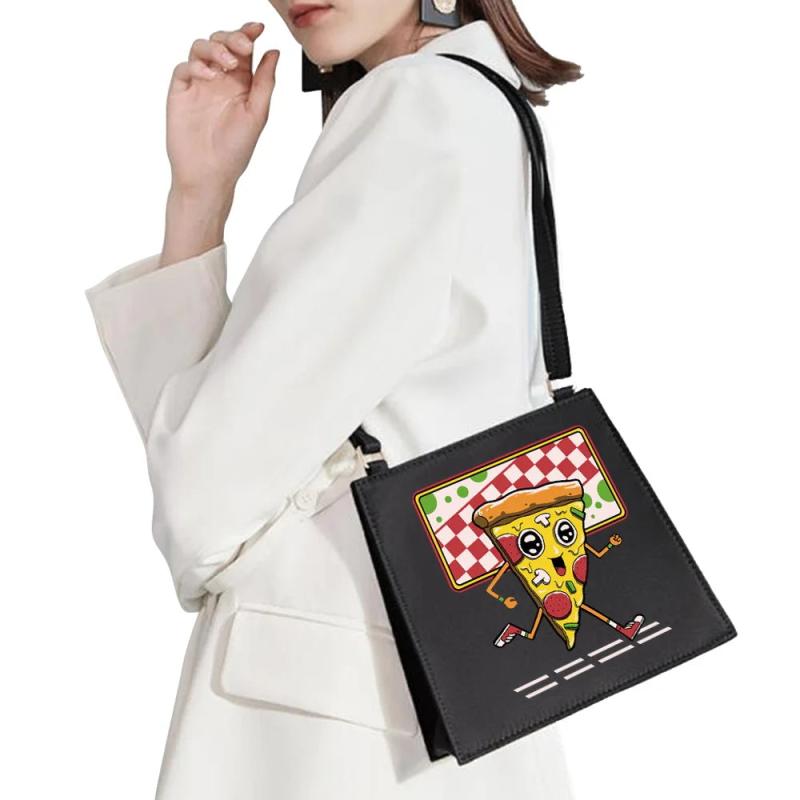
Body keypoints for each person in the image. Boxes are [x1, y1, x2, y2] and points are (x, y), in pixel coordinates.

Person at [84, 1, 582, 797]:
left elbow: (201, 492)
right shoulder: (484, 99)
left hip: (335, 731)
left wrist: (197, 207)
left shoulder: (416, 105)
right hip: (446, 696)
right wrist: (200, 196)